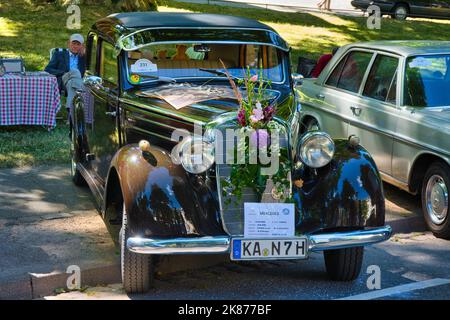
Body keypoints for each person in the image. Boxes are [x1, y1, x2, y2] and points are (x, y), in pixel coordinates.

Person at [45, 34, 86, 117]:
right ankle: (77, 112)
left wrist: (85, 54)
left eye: (78, 44)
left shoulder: (83, 57)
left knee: (72, 83)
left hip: (75, 81)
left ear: (82, 46)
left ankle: (71, 114)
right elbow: (48, 69)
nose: (75, 46)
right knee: (75, 71)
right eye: (73, 43)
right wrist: (63, 73)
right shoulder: (59, 54)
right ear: (68, 43)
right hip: (64, 78)